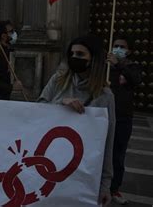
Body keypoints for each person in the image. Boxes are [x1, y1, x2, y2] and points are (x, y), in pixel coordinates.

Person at [38, 35, 115, 206]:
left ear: (93, 59)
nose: (74, 58)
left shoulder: (105, 96)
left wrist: (105, 185)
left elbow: (108, 142)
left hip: (83, 168)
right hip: (49, 159)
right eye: (72, 54)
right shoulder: (57, 80)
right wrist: (61, 103)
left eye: (80, 55)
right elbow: (39, 110)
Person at [107, 35, 142, 205]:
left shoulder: (132, 67)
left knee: (117, 155)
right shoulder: (105, 66)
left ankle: (114, 189)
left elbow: (135, 80)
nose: (117, 49)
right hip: (103, 114)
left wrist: (118, 64)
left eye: (121, 46)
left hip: (122, 117)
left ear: (128, 51)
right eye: (115, 45)